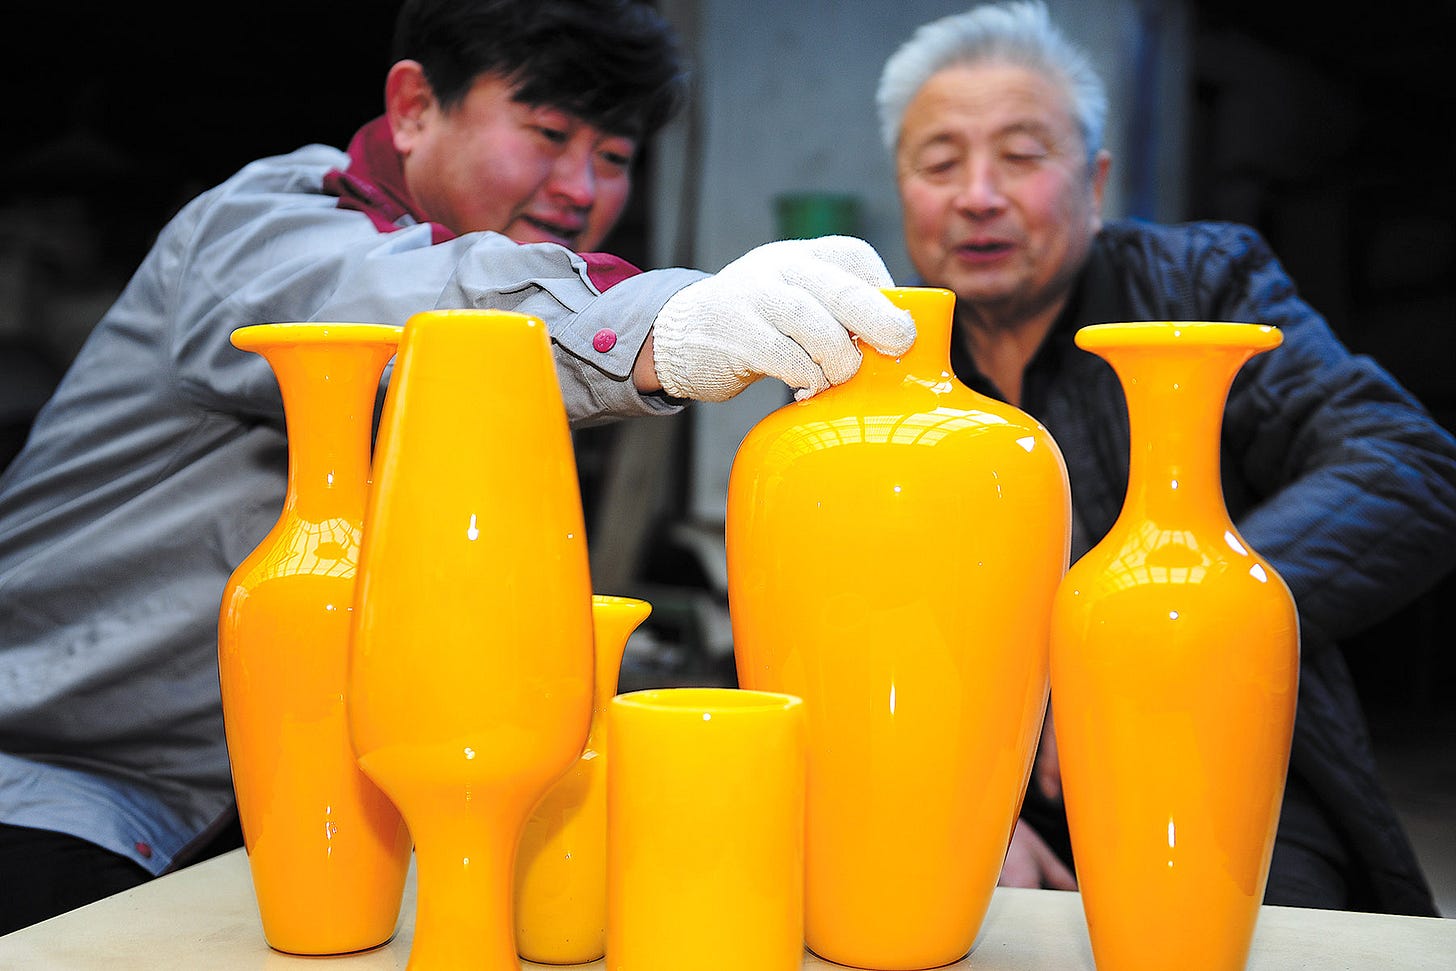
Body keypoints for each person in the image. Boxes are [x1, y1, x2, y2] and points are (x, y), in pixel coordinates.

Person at [0, 0, 915, 934]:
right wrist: (664, 323)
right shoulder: (260, 228)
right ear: (412, 109)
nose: (580, 188)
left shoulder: (520, 327)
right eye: (548, 133)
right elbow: (408, 307)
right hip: (59, 789)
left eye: (613, 157)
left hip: (306, 821)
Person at [876, 0, 1456, 915]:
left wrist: (1142, 645)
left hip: (1221, 752)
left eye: (1021, 156)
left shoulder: (1196, 286)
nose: (977, 194)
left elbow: (1407, 465)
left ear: (1096, 180)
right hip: (987, 787)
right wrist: (956, 808)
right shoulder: (874, 354)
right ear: (902, 187)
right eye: (940, 163)